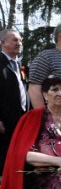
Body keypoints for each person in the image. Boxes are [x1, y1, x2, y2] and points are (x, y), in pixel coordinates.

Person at [0, 29, 28, 174]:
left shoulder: (21, 65)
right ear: (3, 43)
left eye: (20, 40)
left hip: (21, 119)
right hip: (4, 122)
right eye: (15, 40)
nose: (19, 43)